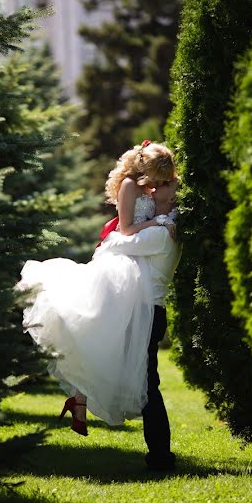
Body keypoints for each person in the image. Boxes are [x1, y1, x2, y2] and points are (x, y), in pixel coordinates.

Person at [18, 141, 177, 441]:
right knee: (92, 326)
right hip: (119, 265)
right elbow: (125, 231)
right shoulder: (130, 186)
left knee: (102, 338)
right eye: (157, 179)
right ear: (144, 169)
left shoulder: (153, 193)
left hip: (135, 272)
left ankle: (79, 400)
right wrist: (158, 220)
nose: (158, 186)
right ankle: (81, 400)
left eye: (163, 181)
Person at [96, 178, 180, 471]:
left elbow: (115, 242)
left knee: (149, 386)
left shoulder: (161, 234)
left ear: (172, 202)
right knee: (147, 383)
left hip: (147, 314)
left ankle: (161, 457)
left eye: (165, 190)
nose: (157, 192)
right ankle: (160, 455)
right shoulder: (163, 228)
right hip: (148, 312)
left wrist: (143, 222)